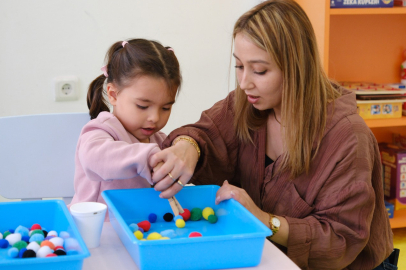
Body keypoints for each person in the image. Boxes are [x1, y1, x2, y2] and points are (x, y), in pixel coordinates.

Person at [149, 1, 394, 269]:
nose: (244, 83)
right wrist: (188, 146)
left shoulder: (348, 138)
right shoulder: (247, 103)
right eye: (239, 66)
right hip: (267, 257)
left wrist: (263, 220)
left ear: (297, 67)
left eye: (260, 70)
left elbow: (339, 241)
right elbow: (205, 133)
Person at [69, 38, 182, 213]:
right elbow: (96, 158)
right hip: (97, 228)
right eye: (143, 106)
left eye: (166, 107)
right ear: (113, 94)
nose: (154, 117)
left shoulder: (160, 141)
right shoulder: (99, 131)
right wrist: (148, 158)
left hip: (140, 228)